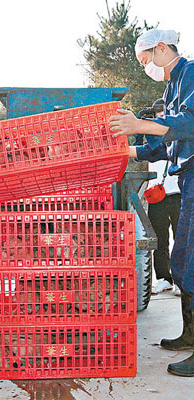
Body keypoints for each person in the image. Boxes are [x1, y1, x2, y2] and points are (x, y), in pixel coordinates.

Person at [109, 29, 194, 377]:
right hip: (187, 179)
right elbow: (163, 143)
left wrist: (140, 123)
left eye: (146, 61)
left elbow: (189, 123)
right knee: (183, 258)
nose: (147, 68)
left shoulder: (191, 74)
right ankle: (190, 333)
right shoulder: (172, 86)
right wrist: (125, 148)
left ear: (161, 48)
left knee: (193, 258)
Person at [136, 99, 181, 295]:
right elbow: (138, 149)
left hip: (180, 193)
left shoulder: (178, 133)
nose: (161, 116)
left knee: (182, 239)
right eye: (157, 114)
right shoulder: (152, 138)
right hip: (157, 197)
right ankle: (164, 278)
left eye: (164, 113)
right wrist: (139, 122)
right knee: (159, 241)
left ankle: (182, 280)